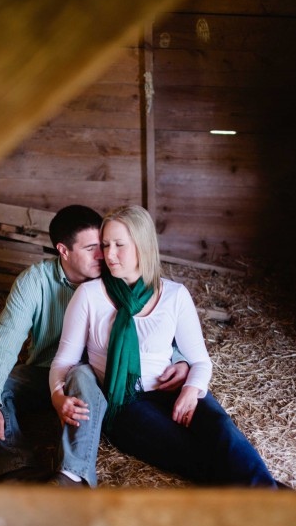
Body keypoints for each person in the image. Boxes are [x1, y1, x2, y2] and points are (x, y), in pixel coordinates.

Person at [50, 205, 278, 486]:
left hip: (171, 388)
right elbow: (64, 360)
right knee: (185, 451)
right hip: (126, 404)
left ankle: (270, 495)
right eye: (106, 245)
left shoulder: (174, 295)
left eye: (119, 245)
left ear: (143, 246)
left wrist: (191, 391)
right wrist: (56, 396)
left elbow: (201, 361)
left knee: (222, 429)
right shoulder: (89, 295)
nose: (108, 255)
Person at [0, 205, 190, 487]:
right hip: (48, 371)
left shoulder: (118, 275)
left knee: (81, 373)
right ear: (64, 251)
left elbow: (155, 327)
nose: (105, 255)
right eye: (92, 249)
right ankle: (12, 469)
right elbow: (3, 341)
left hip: (104, 375)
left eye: (102, 245)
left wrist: (181, 358)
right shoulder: (35, 281)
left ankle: (72, 477)